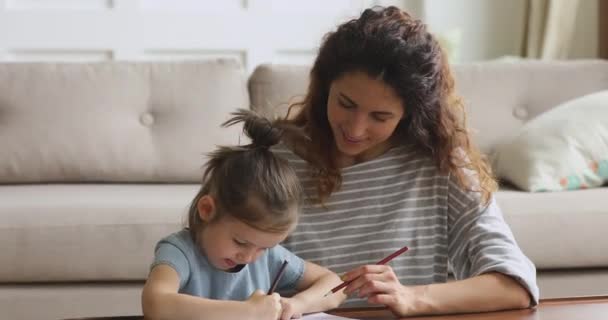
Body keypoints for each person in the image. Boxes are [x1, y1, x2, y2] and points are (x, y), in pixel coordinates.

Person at [271, 5, 539, 317]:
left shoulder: (440, 163)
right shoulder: (275, 158)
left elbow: (516, 285)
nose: (355, 129)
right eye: (345, 103)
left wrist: (411, 297)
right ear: (325, 88)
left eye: (380, 116)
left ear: (410, 114)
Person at [141, 110, 346, 320]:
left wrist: (296, 304)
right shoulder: (179, 252)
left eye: (263, 247)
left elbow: (336, 285)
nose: (248, 257)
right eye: (240, 241)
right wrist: (247, 312)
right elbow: (155, 304)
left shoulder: (269, 257)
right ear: (207, 210)